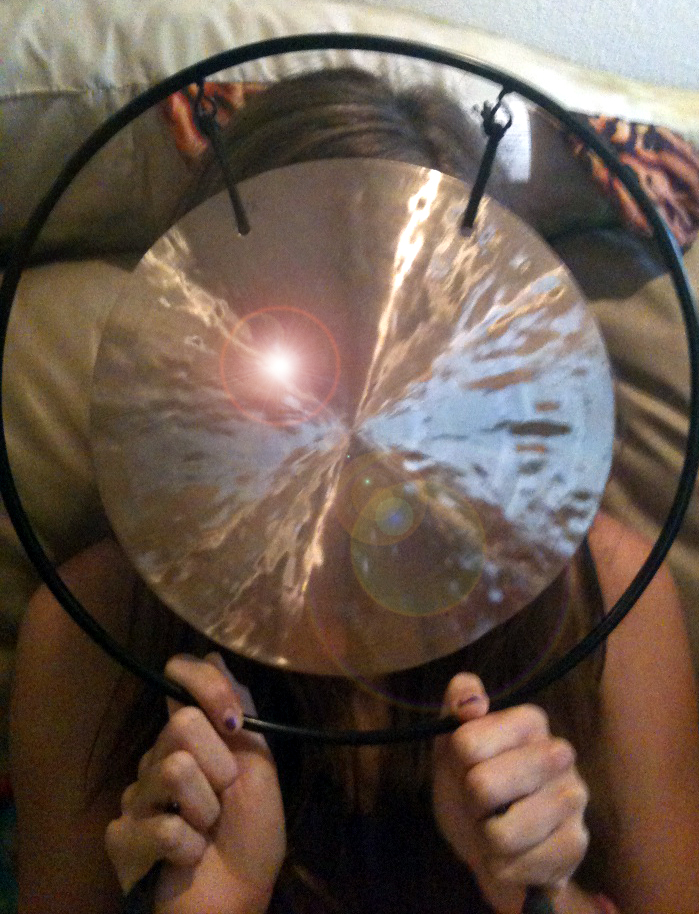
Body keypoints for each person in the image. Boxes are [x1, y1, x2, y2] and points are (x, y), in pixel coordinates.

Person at [9, 68, 699, 914]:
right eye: (294, 338)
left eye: (404, 338)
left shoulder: (606, 603)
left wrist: (541, 899)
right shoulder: (90, 632)